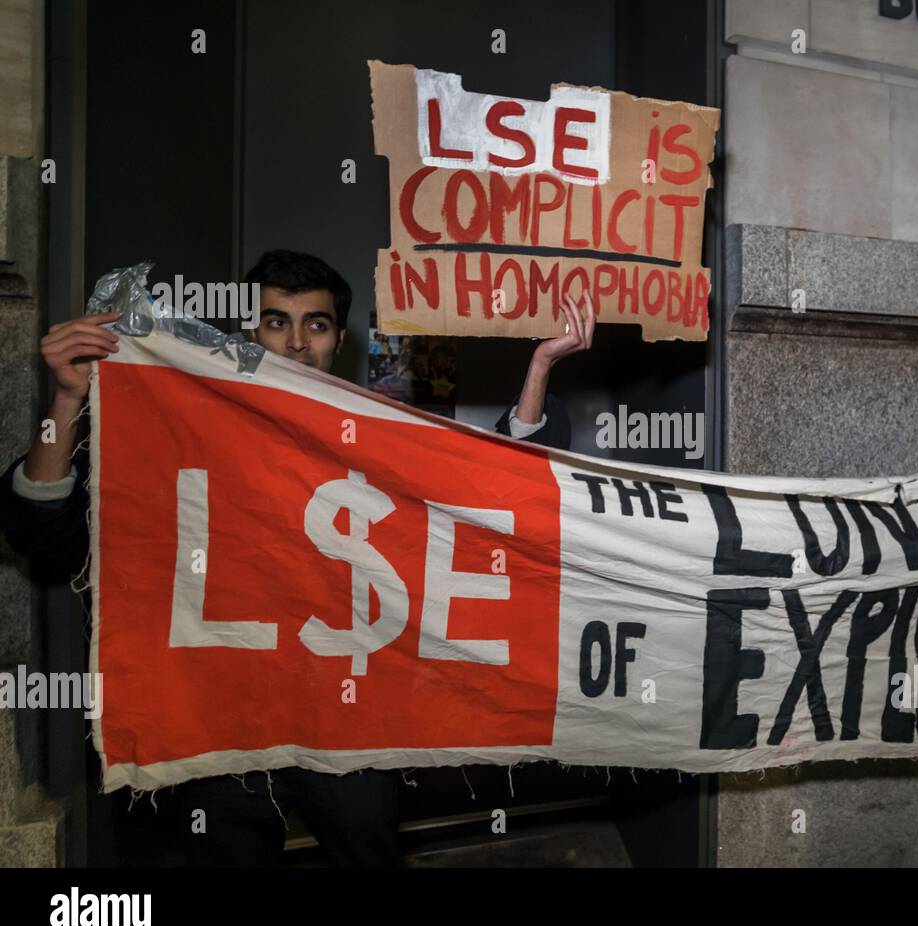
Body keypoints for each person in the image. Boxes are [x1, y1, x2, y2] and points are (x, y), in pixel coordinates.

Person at [0, 249, 597, 865]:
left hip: (345, 720)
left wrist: (539, 369)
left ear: (338, 338)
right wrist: (69, 399)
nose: (294, 343)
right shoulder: (185, 429)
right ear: (247, 331)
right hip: (221, 727)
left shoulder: (372, 432)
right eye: (275, 321)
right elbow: (42, 536)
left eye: (314, 324)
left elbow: (491, 502)